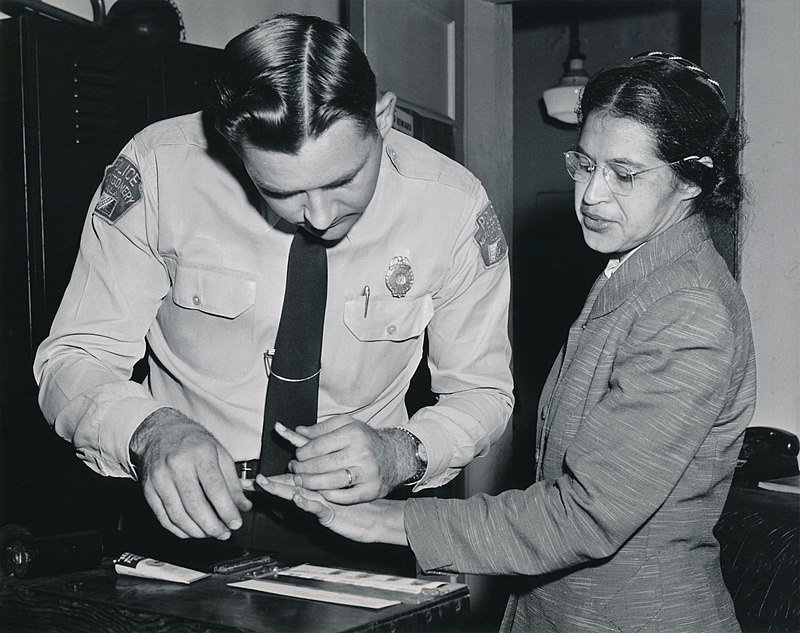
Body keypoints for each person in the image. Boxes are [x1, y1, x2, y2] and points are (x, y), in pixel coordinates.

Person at [260, 51, 757, 632]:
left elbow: (586, 516)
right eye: (584, 164)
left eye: (624, 174)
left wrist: (384, 521)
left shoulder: (689, 309)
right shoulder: (639, 271)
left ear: (691, 180)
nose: (593, 194)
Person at [33, 13, 513, 564]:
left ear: (382, 117)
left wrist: (402, 451)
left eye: (342, 180)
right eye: (280, 191)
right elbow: (74, 357)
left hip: (363, 526)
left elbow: (484, 392)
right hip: (184, 520)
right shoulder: (161, 168)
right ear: (231, 145)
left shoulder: (452, 206)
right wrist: (150, 431)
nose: (320, 216)